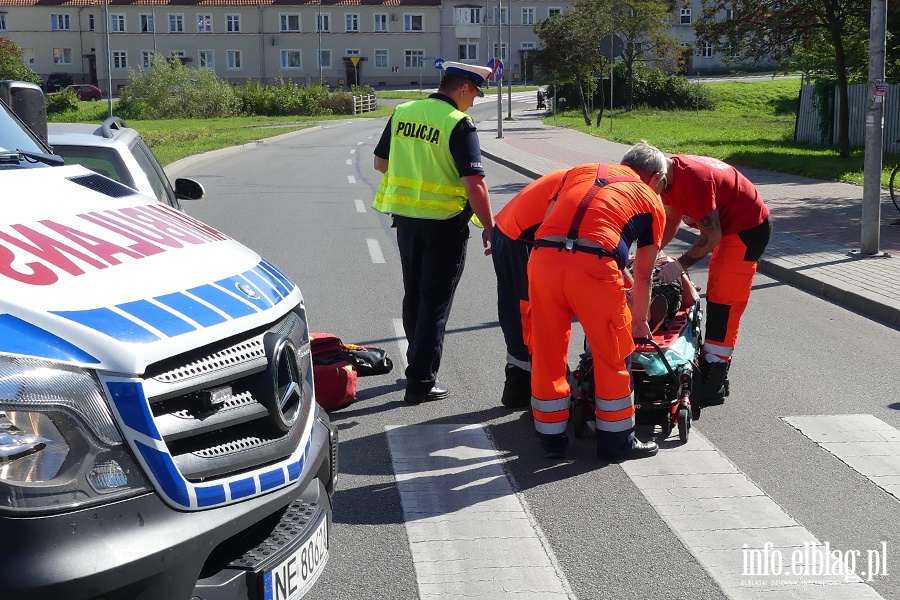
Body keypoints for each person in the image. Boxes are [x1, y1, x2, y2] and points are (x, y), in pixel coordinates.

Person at [528, 147, 669, 460]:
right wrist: (640, 321)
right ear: (655, 178)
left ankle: (550, 439)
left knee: (548, 350)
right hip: (594, 265)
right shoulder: (650, 200)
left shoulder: (581, 171)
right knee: (612, 355)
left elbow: (550, 216)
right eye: (664, 184)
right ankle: (617, 442)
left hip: (542, 260)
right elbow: (643, 276)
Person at [372, 61, 495, 405]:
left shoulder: (403, 112)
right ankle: (421, 381)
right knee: (435, 304)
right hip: (445, 224)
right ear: (463, 89)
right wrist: (490, 227)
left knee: (414, 295)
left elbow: (380, 163)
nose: (472, 103)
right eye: (474, 95)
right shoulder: (458, 123)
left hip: (406, 220)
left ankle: (417, 368)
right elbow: (475, 184)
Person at [649, 144, 772, 407]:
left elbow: (711, 236)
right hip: (729, 228)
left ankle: (713, 383)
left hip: (746, 229)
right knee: (716, 296)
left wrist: (680, 264)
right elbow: (671, 220)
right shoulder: (669, 175)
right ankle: (712, 372)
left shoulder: (693, 182)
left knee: (723, 304)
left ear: (656, 178)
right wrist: (652, 254)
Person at [491, 169, 569, 409]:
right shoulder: (597, 187)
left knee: (515, 309)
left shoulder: (584, 176)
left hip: (508, 231)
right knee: (527, 314)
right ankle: (527, 388)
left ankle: (519, 385)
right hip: (520, 238)